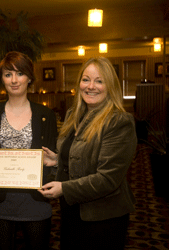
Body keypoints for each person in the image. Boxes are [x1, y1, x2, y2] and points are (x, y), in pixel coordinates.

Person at [38, 57, 137, 250]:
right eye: (86, 79)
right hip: (71, 212)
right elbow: (84, 156)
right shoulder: (74, 114)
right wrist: (58, 160)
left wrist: (64, 189)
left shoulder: (119, 122)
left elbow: (108, 179)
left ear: (111, 86)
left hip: (103, 218)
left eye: (99, 81)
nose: (91, 86)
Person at [0, 51, 57, 250]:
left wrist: (56, 162)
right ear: (2, 80)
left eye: (20, 73)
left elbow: (53, 157)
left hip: (36, 202)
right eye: (8, 74)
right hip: (0, 203)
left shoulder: (45, 115)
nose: (14, 80)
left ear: (29, 77)